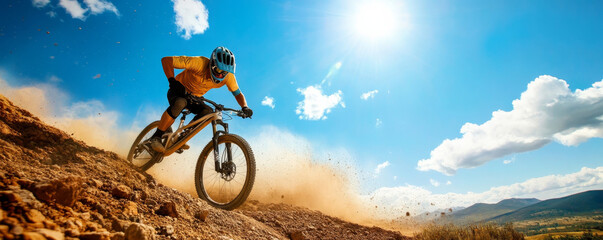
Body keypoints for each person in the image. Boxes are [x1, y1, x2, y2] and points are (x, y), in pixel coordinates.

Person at [149, 46, 253, 152]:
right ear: (212, 64)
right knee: (180, 103)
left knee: (208, 112)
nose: (222, 74)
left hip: (195, 98)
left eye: (225, 72)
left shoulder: (228, 77)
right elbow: (166, 60)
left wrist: (245, 107)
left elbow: (238, 94)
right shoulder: (199, 62)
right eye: (219, 69)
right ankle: (155, 137)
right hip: (178, 91)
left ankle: (181, 138)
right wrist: (172, 81)